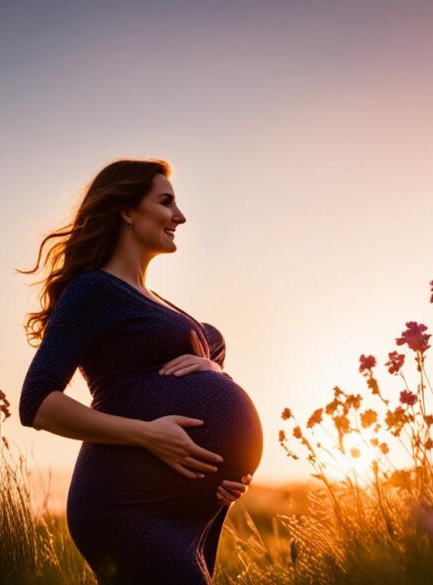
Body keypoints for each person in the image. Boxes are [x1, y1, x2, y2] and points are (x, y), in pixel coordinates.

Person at [16, 159, 264, 584]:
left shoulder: (158, 304)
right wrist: (149, 433)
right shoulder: (94, 290)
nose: (180, 217)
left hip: (185, 511)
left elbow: (211, 346)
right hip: (125, 504)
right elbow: (36, 403)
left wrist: (213, 369)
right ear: (127, 211)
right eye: (166, 202)